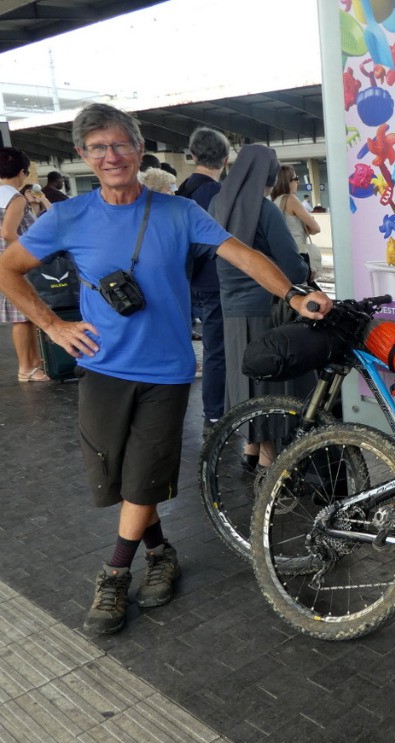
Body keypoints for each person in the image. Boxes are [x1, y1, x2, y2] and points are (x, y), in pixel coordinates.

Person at [0, 104, 331, 635]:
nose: (111, 156)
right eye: (98, 148)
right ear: (85, 155)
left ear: (138, 148)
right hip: (102, 366)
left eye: (120, 145)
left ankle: (114, 572)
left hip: (167, 370)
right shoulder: (69, 216)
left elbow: (241, 254)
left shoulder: (177, 212)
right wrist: (53, 327)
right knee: (118, 475)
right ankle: (161, 554)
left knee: (145, 472)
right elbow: (9, 268)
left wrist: (294, 294)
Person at [211, 144, 315, 471]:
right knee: (269, 384)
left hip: (230, 309)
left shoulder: (217, 203)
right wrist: (305, 269)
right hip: (266, 310)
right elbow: (292, 267)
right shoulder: (264, 209)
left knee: (245, 381)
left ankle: (251, 449)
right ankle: (271, 470)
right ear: (268, 175)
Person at [177, 127, 230, 433]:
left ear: (193, 155)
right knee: (218, 348)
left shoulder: (183, 190)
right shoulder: (217, 193)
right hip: (213, 281)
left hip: (189, 280)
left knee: (206, 346)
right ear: (224, 159)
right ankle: (215, 411)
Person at [1, 148, 50, 382]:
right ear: (21, 172)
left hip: (5, 261)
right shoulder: (14, 197)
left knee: (25, 314)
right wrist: (31, 252)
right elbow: (8, 232)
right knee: (22, 315)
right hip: (14, 262)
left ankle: (34, 364)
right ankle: (26, 368)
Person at [270, 165, 322, 276]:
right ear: (287, 182)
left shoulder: (274, 201)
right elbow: (316, 228)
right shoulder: (291, 199)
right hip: (299, 255)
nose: (298, 182)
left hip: (282, 256)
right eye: (296, 179)